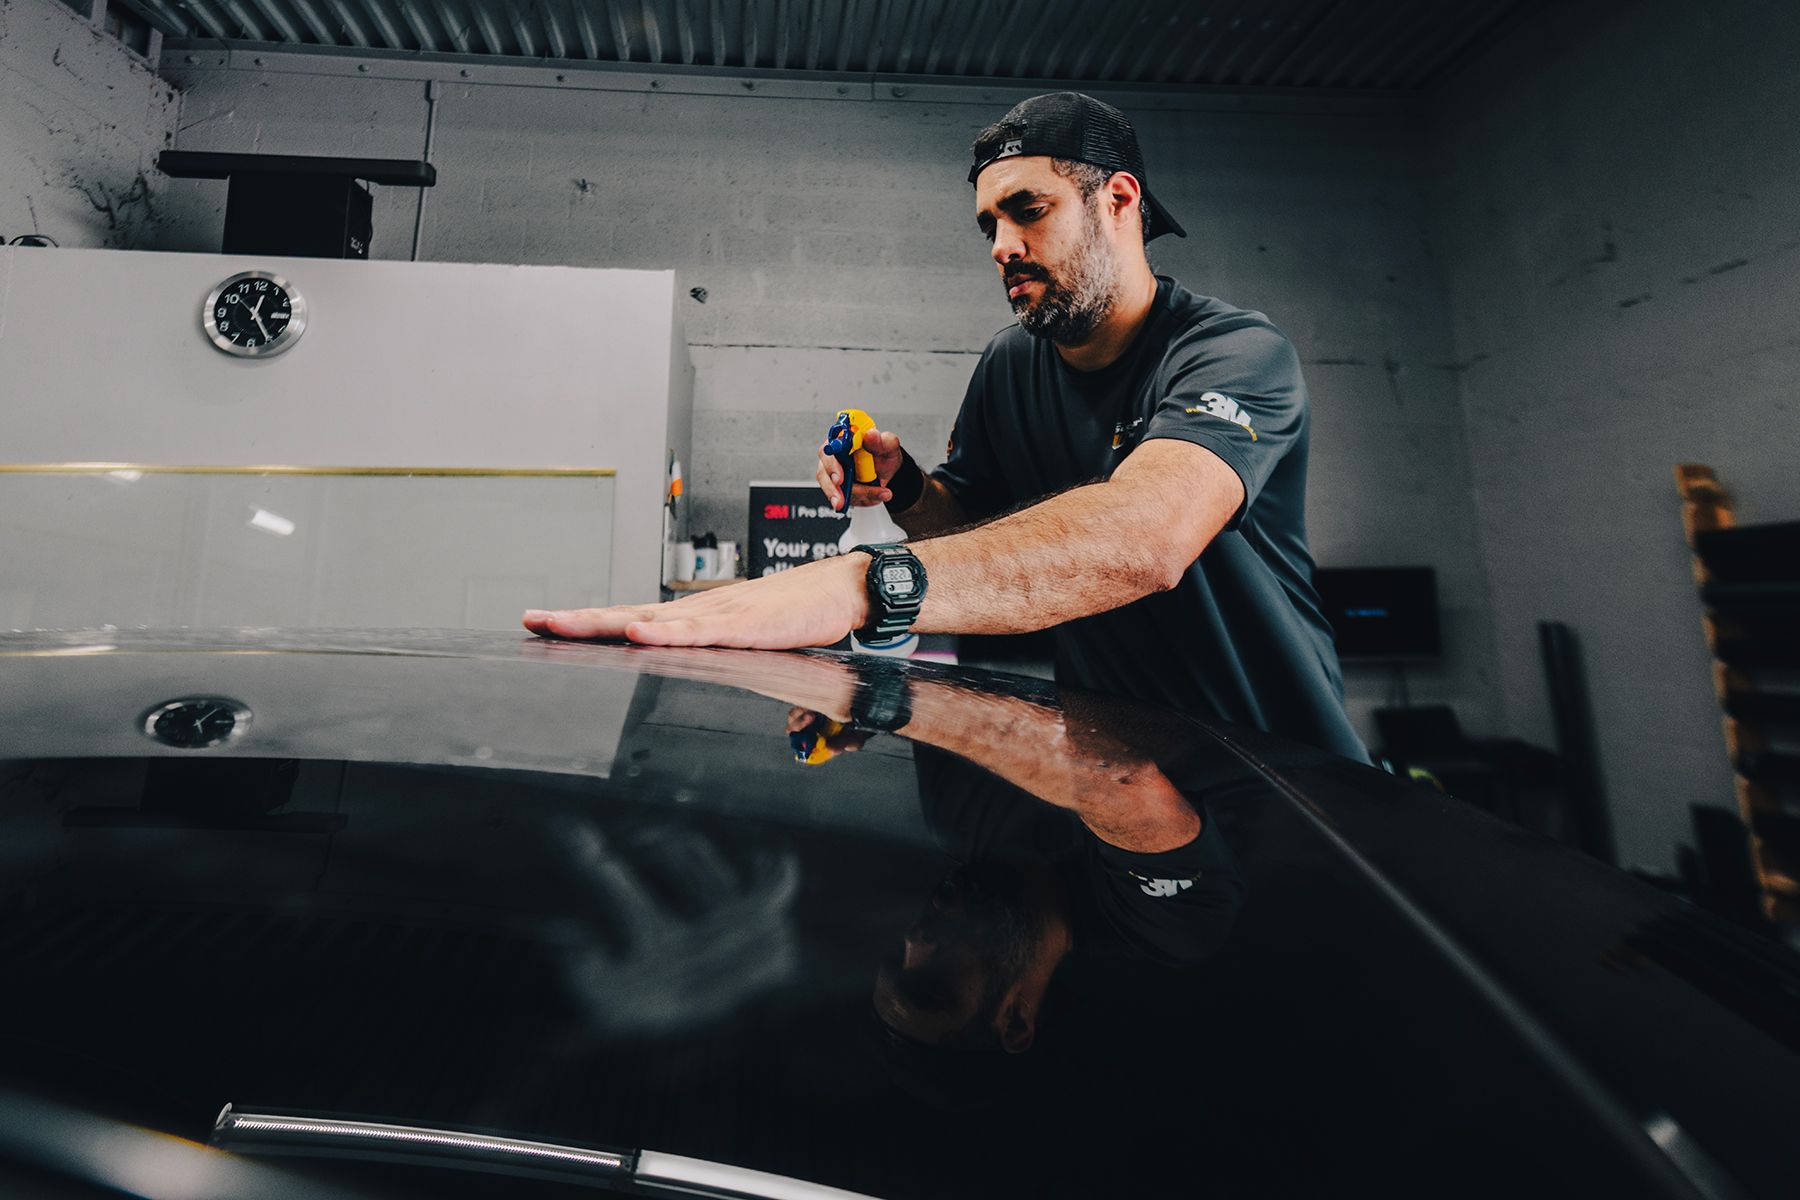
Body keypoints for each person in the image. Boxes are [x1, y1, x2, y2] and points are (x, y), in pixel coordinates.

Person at [525, 92, 1364, 760]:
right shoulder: (1011, 364)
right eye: (988, 225)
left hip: (1280, 775)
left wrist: (860, 584)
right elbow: (972, 531)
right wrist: (907, 488)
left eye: (1026, 210)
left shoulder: (1232, 351)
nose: (1000, 245)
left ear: (1118, 199)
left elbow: (1147, 538)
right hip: (1119, 772)